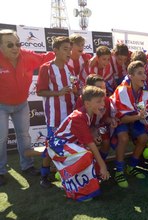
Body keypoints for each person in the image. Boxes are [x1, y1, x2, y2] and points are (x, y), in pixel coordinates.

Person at [0, 29, 54, 186]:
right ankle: (1, 171)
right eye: (10, 45)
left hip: (22, 104)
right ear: (1, 46)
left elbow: (48, 57)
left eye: (18, 44)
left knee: (24, 136)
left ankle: (27, 166)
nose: (15, 48)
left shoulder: (27, 55)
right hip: (1, 106)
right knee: (1, 138)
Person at [47, 85, 110, 201]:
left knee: (89, 152)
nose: (103, 104)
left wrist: (94, 134)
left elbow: (87, 132)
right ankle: (80, 191)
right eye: (99, 102)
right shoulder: (79, 117)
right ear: (87, 103)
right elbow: (90, 143)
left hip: (66, 144)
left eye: (103, 101)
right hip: (57, 146)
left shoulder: (88, 113)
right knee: (87, 154)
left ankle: (72, 176)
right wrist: (103, 166)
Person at [36, 36, 78, 188]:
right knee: (51, 146)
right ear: (55, 51)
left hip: (70, 114)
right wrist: (58, 93)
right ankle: (44, 175)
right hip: (55, 115)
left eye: (70, 49)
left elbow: (76, 89)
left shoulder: (70, 68)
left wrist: (76, 90)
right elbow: (40, 91)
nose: (69, 53)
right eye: (65, 49)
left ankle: (69, 174)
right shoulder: (46, 68)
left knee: (71, 145)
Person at [110, 61, 148, 188]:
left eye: (144, 73)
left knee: (143, 138)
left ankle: (131, 166)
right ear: (131, 76)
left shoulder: (144, 88)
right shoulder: (122, 90)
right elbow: (122, 119)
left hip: (133, 117)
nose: (144, 76)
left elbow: (144, 110)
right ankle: (119, 171)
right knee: (123, 138)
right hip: (117, 120)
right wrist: (140, 116)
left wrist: (146, 115)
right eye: (140, 73)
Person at [75, 74, 116, 163]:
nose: (102, 90)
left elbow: (105, 118)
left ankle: (99, 163)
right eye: (98, 87)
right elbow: (81, 121)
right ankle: (91, 165)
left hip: (99, 127)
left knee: (106, 142)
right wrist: (92, 131)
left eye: (104, 87)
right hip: (85, 128)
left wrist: (111, 120)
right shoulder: (81, 100)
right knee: (92, 144)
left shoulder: (106, 100)